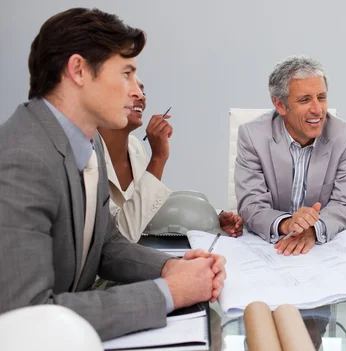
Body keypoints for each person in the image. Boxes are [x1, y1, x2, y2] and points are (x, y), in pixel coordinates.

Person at [0, 8, 225, 341]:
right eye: (126, 74)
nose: (135, 90)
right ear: (78, 70)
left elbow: (104, 243)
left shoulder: (87, 144)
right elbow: (28, 315)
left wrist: (168, 268)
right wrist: (169, 292)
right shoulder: (22, 158)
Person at [234, 55, 346, 255]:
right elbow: (251, 204)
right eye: (304, 100)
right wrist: (287, 223)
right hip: (269, 246)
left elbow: (344, 205)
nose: (317, 110)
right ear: (280, 105)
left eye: (321, 97)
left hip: (323, 247)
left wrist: (311, 229)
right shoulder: (252, 136)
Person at [97, 77, 243, 242]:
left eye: (142, 91)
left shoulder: (135, 148)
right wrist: (158, 158)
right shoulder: (86, 157)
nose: (142, 96)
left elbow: (150, 210)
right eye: (129, 86)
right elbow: (120, 235)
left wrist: (211, 219)